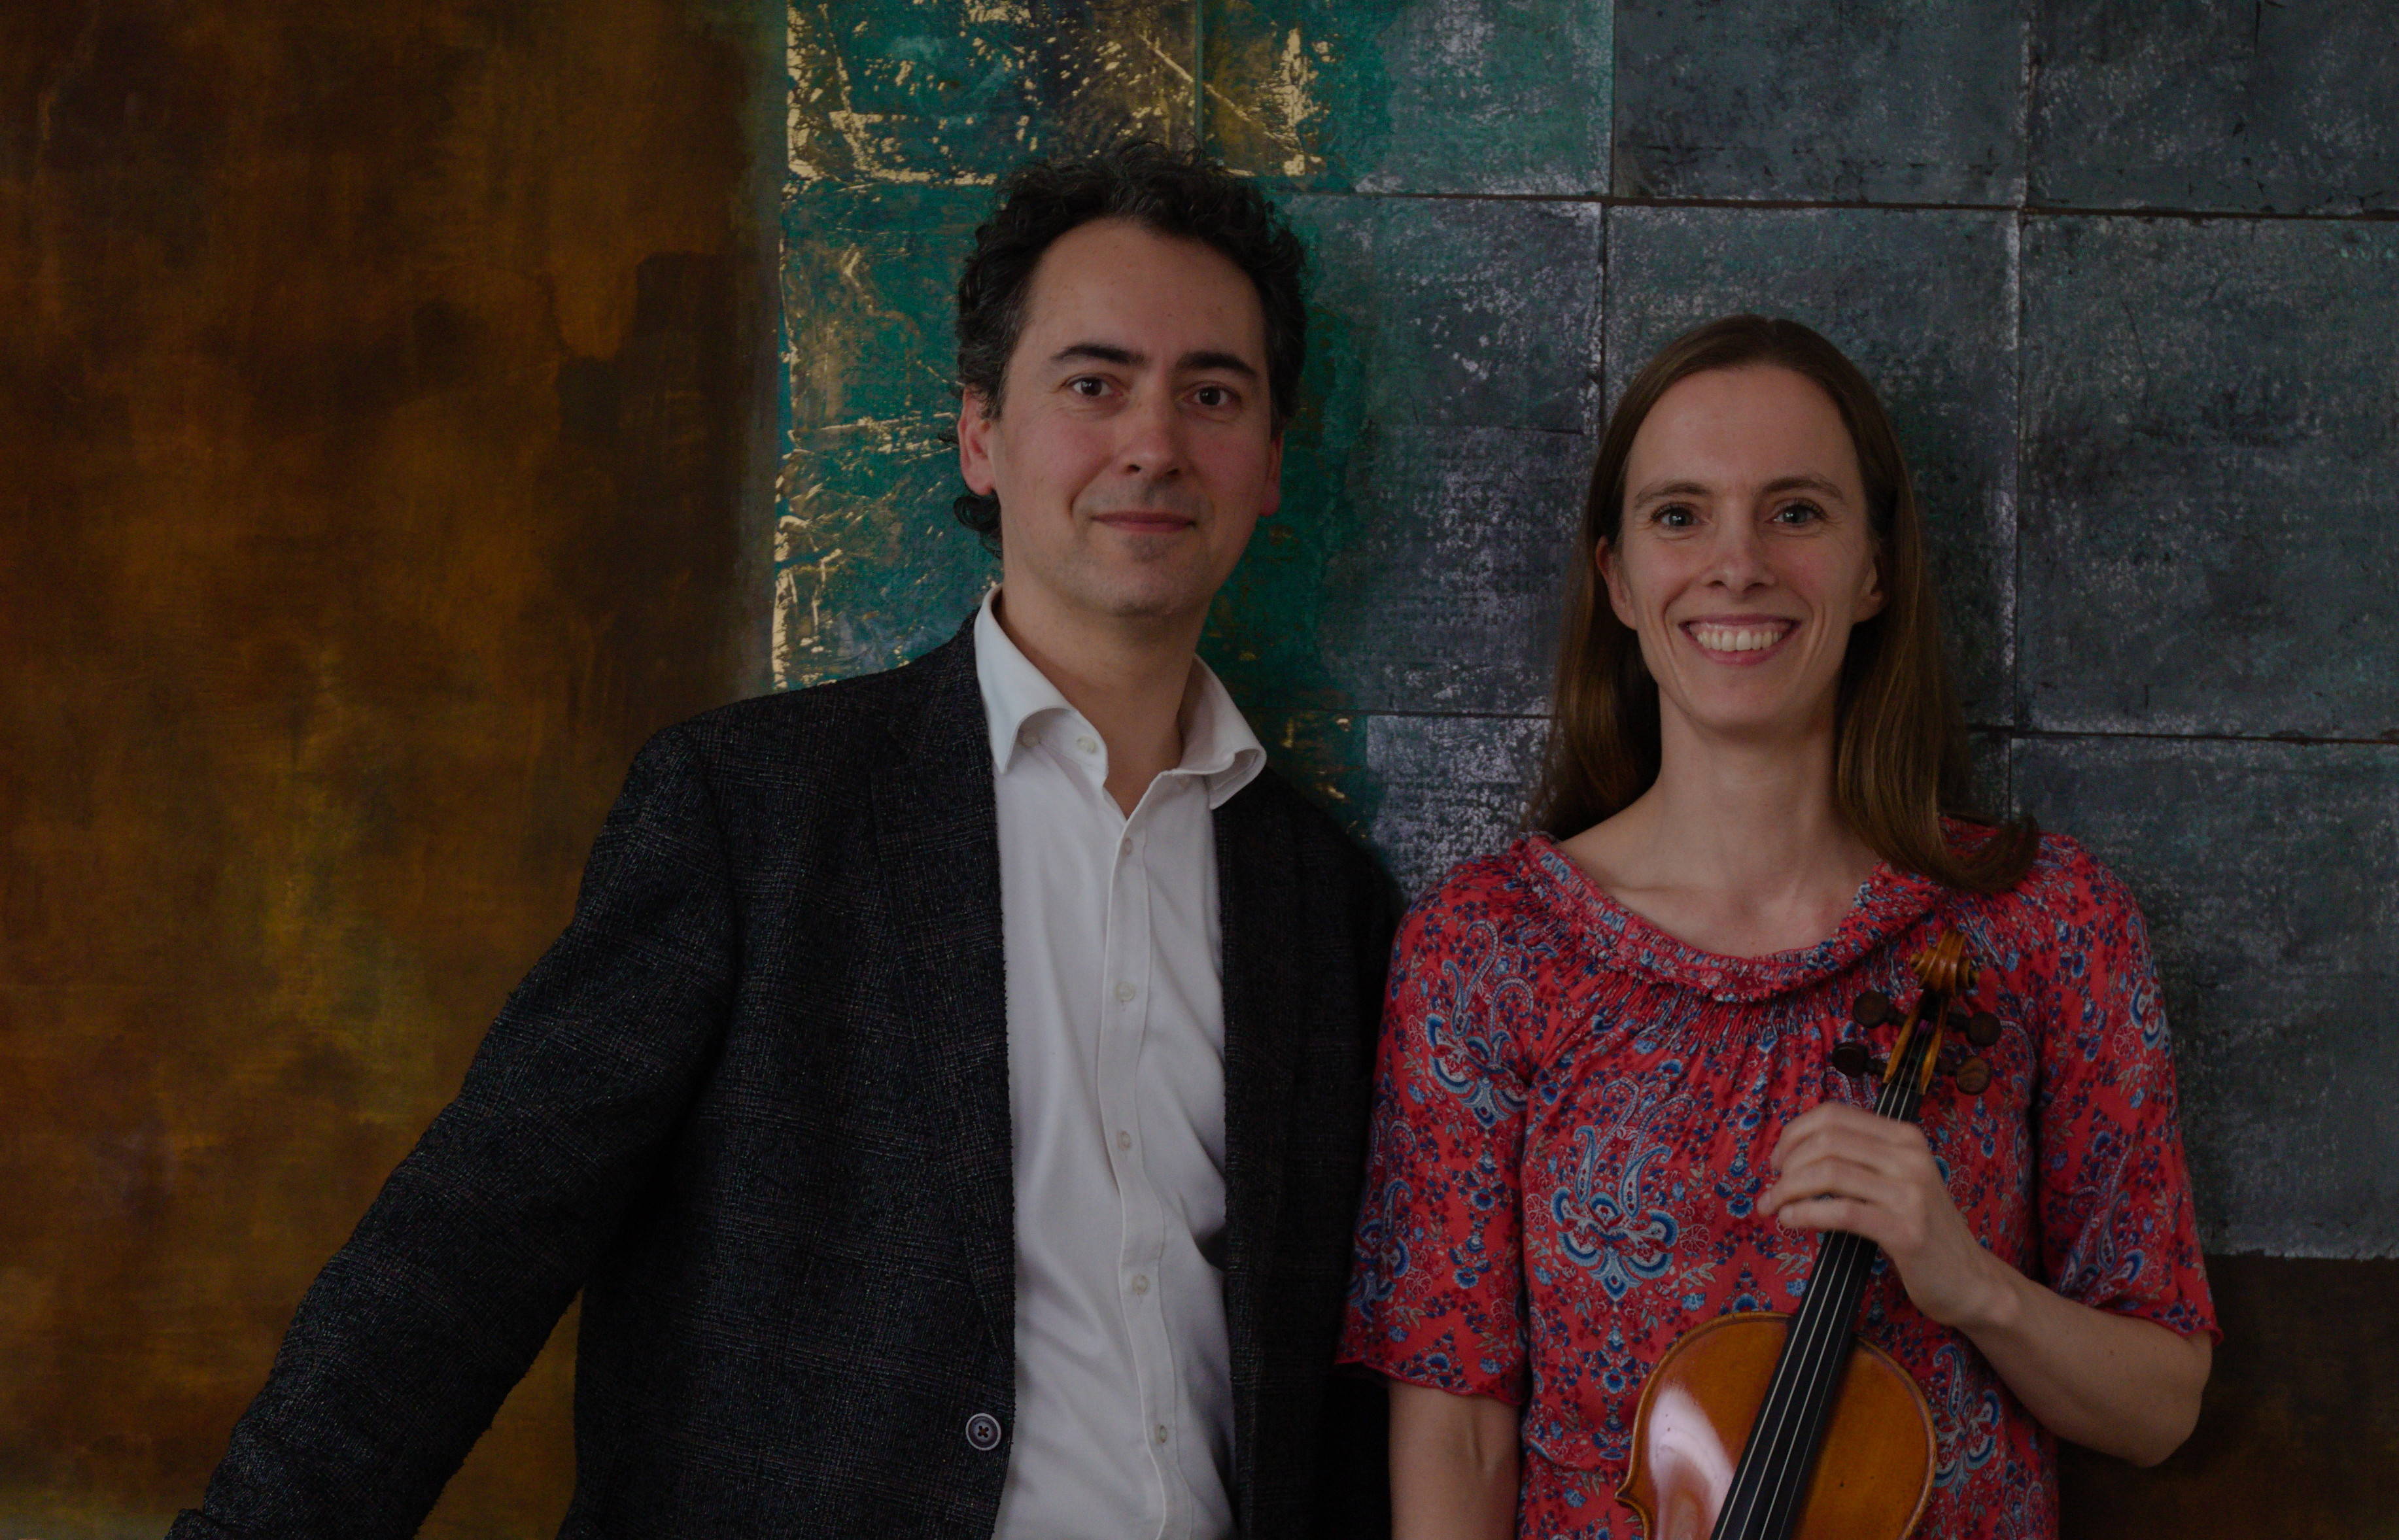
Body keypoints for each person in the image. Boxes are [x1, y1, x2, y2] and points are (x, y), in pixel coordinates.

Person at [171, 143, 1393, 1540]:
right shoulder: (750, 811)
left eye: (1213, 393)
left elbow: (1347, 1396)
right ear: (980, 435)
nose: (1154, 444)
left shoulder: (1329, 907)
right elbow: (463, 1251)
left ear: (1270, 462)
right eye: (1092, 383)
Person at [1339, 315, 2216, 1539]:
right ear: (1617, 579)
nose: (1738, 564)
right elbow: (1458, 1428)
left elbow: (2160, 1406)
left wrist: (1974, 1285)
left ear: (1875, 570)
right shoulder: (1488, 949)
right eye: (1680, 515)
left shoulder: (2045, 921)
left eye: (1796, 512)